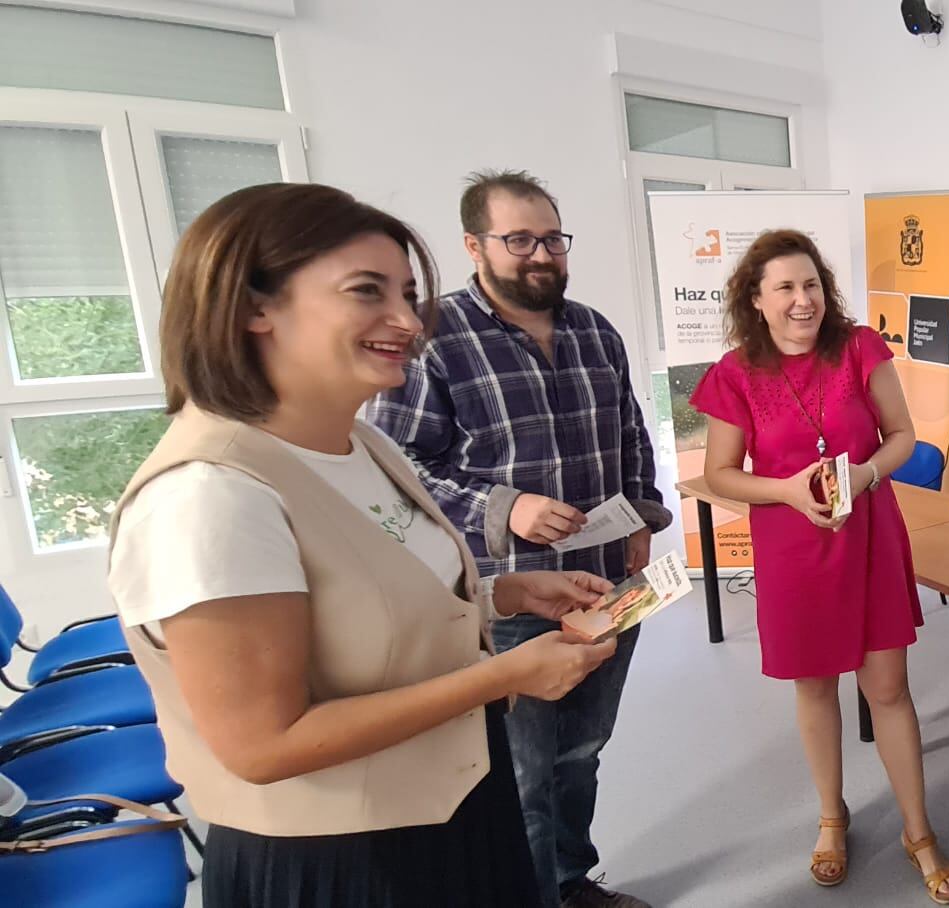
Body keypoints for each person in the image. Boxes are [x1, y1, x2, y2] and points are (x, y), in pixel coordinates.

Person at [106, 183, 619, 907]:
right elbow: (265, 745)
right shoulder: (210, 497)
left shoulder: (359, 445)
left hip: (456, 801)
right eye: (366, 292)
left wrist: (503, 592)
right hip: (349, 857)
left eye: (408, 294)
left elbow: (366, 594)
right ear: (254, 306)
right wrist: (503, 675)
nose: (407, 320)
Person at [369, 170, 669, 908]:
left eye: (553, 239)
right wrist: (505, 508)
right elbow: (395, 470)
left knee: (584, 752)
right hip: (509, 596)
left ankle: (570, 881)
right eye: (520, 240)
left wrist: (641, 516)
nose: (542, 255)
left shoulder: (596, 330)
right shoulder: (431, 340)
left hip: (610, 583)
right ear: (474, 245)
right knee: (526, 774)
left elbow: (630, 433)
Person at [687, 229, 949, 905]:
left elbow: (903, 436)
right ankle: (832, 818)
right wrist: (783, 490)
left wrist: (866, 473)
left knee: (888, 689)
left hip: (867, 533)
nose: (802, 300)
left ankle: (917, 830)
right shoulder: (734, 374)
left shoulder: (860, 347)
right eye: (784, 287)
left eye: (811, 284)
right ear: (756, 299)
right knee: (813, 690)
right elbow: (718, 473)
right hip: (791, 546)